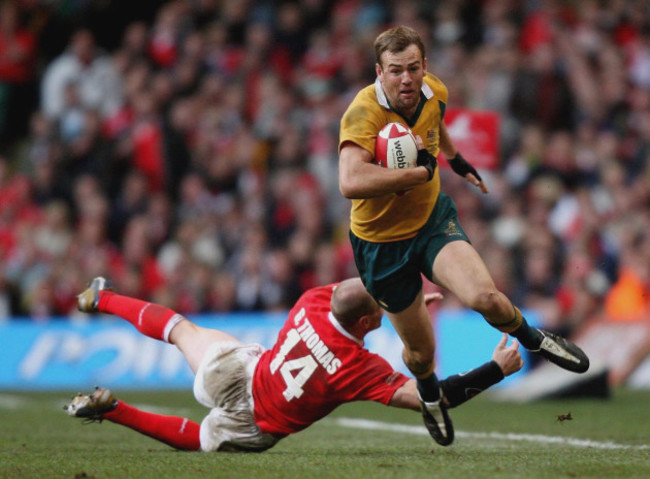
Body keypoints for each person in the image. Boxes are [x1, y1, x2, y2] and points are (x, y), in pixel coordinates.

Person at [337, 25, 589, 446]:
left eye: (413, 68)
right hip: (381, 245)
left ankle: (535, 338)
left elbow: (437, 126)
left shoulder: (433, 90)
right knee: (420, 354)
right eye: (395, 70)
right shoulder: (363, 112)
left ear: (425, 67)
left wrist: (455, 159)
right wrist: (415, 173)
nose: (406, 79)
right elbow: (349, 180)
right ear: (378, 72)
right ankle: (431, 395)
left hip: (432, 221)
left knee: (484, 297)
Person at [64, 276, 523, 452]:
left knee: (179, 329)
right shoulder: (358, 368)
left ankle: (101, 298)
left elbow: (353, 292)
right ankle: (113, 410)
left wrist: (406, 302)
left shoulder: (313, 300)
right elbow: (434, 399)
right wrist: (495, 369)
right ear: (367, 321)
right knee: (200, 438)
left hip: (241, 371)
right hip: (257, 422)